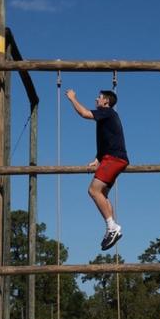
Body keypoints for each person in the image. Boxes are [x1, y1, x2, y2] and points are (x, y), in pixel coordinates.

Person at [65, 88, 128, 250]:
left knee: (93, 191)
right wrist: (97, 159)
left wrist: (73, 98)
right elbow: (108, 138)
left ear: (106, 101)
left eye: (99, 97)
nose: (96, 99)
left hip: (113, 158)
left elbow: (85, 113)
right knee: (103, 194)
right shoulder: (106, 117)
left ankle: (112, 227)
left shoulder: (107, 112)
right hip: (113, 158)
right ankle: (112, 228)